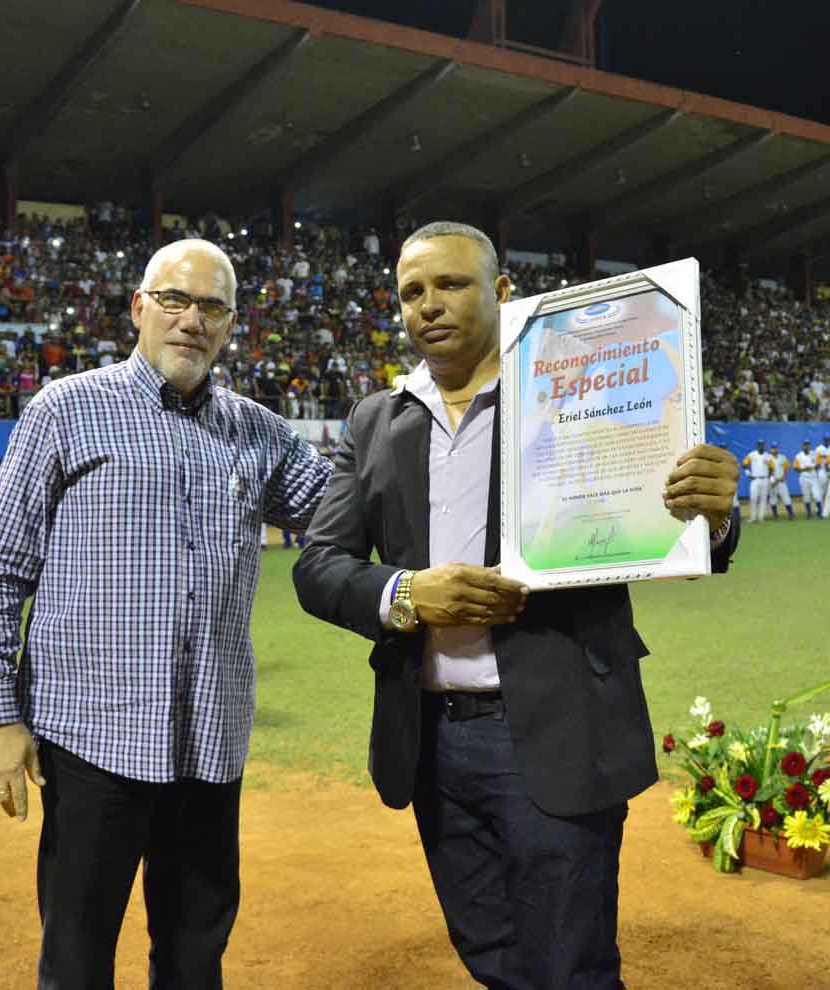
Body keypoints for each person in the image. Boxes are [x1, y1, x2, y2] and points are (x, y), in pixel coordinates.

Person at [293, 222, 741, 990]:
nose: (428, 305)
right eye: (411, 292)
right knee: (492, 958)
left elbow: (664, 516)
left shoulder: (582, 391)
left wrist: (713, 514)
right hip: (431, 742)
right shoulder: (376, 418)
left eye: (451, 284)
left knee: (571, 969)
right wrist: (406, 593)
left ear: (503, 292)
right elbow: (319, 565)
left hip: (555, 727)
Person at [0, 238, 333, 989]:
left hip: (208, 742)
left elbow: (348, 511)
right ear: (140, 307)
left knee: (195, 956)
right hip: (93, 740)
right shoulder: (67, 410)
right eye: (175, 300)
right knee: (77, 957)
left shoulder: (259, 432)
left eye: (212, 307)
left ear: (230, 326)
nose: (192, 320)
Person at [742, 439, 771, 523]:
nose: (761, 446)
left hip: (765, 479)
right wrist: (748, 474)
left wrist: (769, 477)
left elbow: (772, 468)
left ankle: (761, 518)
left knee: (763, 499)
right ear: (757, 446)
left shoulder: (768, 456)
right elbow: (744, 464)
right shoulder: (752, 455)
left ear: (764, 446)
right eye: (759, 445)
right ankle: (753, 517)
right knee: (753, 498)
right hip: (755, 479)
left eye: (763, 445)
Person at [793, 440, 821, 518]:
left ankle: (819, 512)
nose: (806, 446)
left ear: (809, 446)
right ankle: (809, 514)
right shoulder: (798, 456)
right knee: (806, 496)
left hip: (813, 478)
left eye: (807, 445)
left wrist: (812, 467)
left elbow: (819, 465)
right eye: (805, 445)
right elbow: (795, 468)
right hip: (804, 478)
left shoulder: (815, 454)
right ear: (802, 446)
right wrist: (805, 469)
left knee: (817, 496)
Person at [766, 442, 792, 519]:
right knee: (773, 498)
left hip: (781, 481)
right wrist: (771, 480)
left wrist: (784, 476)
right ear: (770, 449)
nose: (774, 449)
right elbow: (767, 470)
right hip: (772, 481)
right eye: (773, 448)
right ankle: (775, 515)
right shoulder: (768, 458)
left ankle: (790, 514)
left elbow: (787, 467)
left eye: (775, 448)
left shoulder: (782, 457)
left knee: (786, 498)